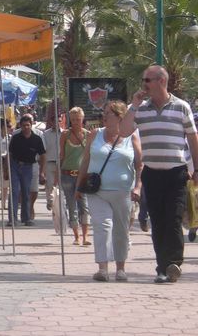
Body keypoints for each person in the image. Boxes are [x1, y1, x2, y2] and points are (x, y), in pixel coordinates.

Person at [119, 64, 198, 283]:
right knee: (158, 221)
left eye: (147, 80)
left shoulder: (181, 107)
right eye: (144, 80)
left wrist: (197, 169)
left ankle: (173, 263)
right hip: (152, 174)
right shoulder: (141, 109)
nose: (143, 84)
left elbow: (192, 138)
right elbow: (124, 131)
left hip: (176, 173)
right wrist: (133, 105)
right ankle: (162, 267)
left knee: (173, 218)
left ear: (161, 81)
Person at [76, 101, 142, 282]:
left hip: (123, 192)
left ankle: (120, 268)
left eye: (108, 113)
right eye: (103, 113)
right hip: (97, 190)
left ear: (120, 117)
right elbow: (85, 161)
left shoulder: (132, 137)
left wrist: (138, 186)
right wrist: (79, 185)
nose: (104, 116)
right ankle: (103, 268)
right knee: (102, 226)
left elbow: (139, 164)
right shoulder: (94, 135)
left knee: (121, 229)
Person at [58, 107, 91, 245]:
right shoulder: (65, 134)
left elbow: (90, 156)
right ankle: (76, 236)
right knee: (71, 204)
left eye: (78, 119)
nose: (76, 122)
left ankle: (86, 236)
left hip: (82, 176)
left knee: (84, 205)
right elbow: (61, 156)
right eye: (73, 120)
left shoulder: (88, 135)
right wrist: (56, 177)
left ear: (83, 119)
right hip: (67, 174)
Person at [8, 113, 45, 226]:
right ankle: (12, 219)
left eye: (28, 125)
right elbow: (9, 154)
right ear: (20, 126)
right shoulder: (16, 137)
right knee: (14, 192)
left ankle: (26, 218)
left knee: (26, 192)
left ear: (31, 125)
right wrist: (6, 169)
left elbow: (43, 155)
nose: (26, 127)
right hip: (15, 166)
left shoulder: (37, 139)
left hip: (28, 167)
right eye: (24, 125)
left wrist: (42, 172)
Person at [42, 106, 65, 211]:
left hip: (61, 163)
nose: (57, 123)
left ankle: (60, 203)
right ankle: (50, 200)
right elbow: (43, 150)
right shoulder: (45, 134)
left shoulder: (65, 133)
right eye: (55, 121)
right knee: (50, 183)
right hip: (49, 162)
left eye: (59, 121)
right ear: (51, 122)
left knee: (61, 184)